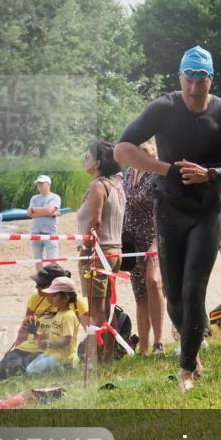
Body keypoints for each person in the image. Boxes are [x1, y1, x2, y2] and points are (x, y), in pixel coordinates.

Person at [115, 45, 221, 392]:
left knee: (194, 289)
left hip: (207, 211)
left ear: (211, 81)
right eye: (188, 80)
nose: (193, 89)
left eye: (201, 81)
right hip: (169, 209)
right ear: (180, 77)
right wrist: (165, 170)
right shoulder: (165, 106)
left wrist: (210, 173)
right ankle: (194, 346)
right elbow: (122, 149)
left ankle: (186, 369)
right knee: (173, 295)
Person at [0, 265, 88, 382]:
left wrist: (84, 357)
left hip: (53, 352)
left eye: (41, 284)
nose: (36, 286)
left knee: (22, 377)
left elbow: (90, 331)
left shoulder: (75, 301)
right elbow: (25, 327)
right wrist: (13, 352)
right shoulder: (35, 297)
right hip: (29, 348)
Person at [122, 139, 166, 355]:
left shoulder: (157, 174)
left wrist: (157, 241)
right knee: (140, 293)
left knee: (154, 282)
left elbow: (163, 210)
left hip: (153, 237)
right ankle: (145, 349)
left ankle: (159, 341)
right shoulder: (129, 174)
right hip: (132, 240)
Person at [77, 141, 125, 333]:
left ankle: (99, 356)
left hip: (99, 251)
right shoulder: (116, 185)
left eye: (88, 156)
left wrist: (85, 251)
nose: (84, 159)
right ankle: (108, 355)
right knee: (107, 307)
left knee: (97, 309)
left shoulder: (98, 185)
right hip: (114, 250)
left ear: (97, 163)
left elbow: (95, 221)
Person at [27, 175, 61, 271]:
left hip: (50, 233)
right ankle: (40, 282)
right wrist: (49, 212)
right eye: (38, 183)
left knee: (53, 261)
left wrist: (37, 211)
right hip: (35, 233)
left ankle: (55, 281)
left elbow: (50, 210)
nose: (39, 185)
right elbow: (30, 213)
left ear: (48, 184)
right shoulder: (34, 198)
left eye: (42, 183)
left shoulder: (55, 197)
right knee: (38, 261)